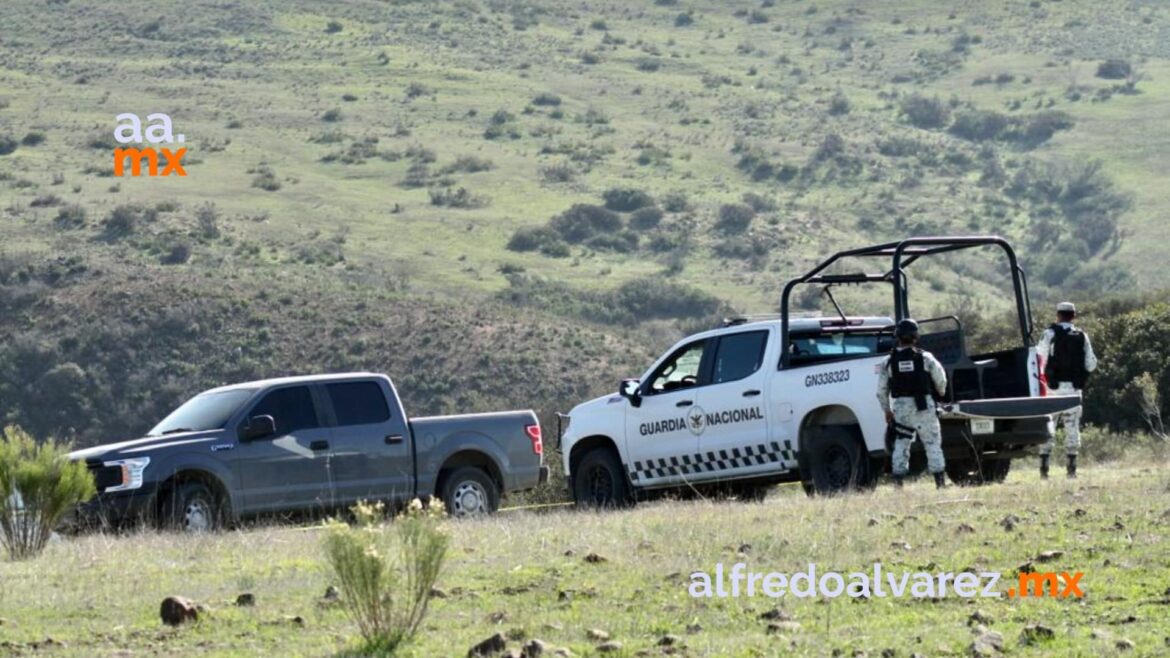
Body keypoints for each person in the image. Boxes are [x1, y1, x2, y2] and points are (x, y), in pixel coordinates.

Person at [877, 319, 949, 488]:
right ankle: (939, 483)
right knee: (932, 443)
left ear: (897, 337)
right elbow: (941, 379)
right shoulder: (926, 357)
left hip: (901, 408)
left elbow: (881, 391)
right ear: (916, 336)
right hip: (924, 406)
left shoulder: (888, 361)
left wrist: (887, 410)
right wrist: (941, 392)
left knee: (901, 443)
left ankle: (898, 483)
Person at [1037, 301, 1097, 479]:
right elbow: (1091, 364)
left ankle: (1044, 472)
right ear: (1074, 316)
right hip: (1073, 391)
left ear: (1058, 315)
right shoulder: (1082, 336)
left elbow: (1040, 357)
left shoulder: (1049, 334)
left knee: (1047, 428)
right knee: (1073, 429)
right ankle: (1071, 472)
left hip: (1051, 390)